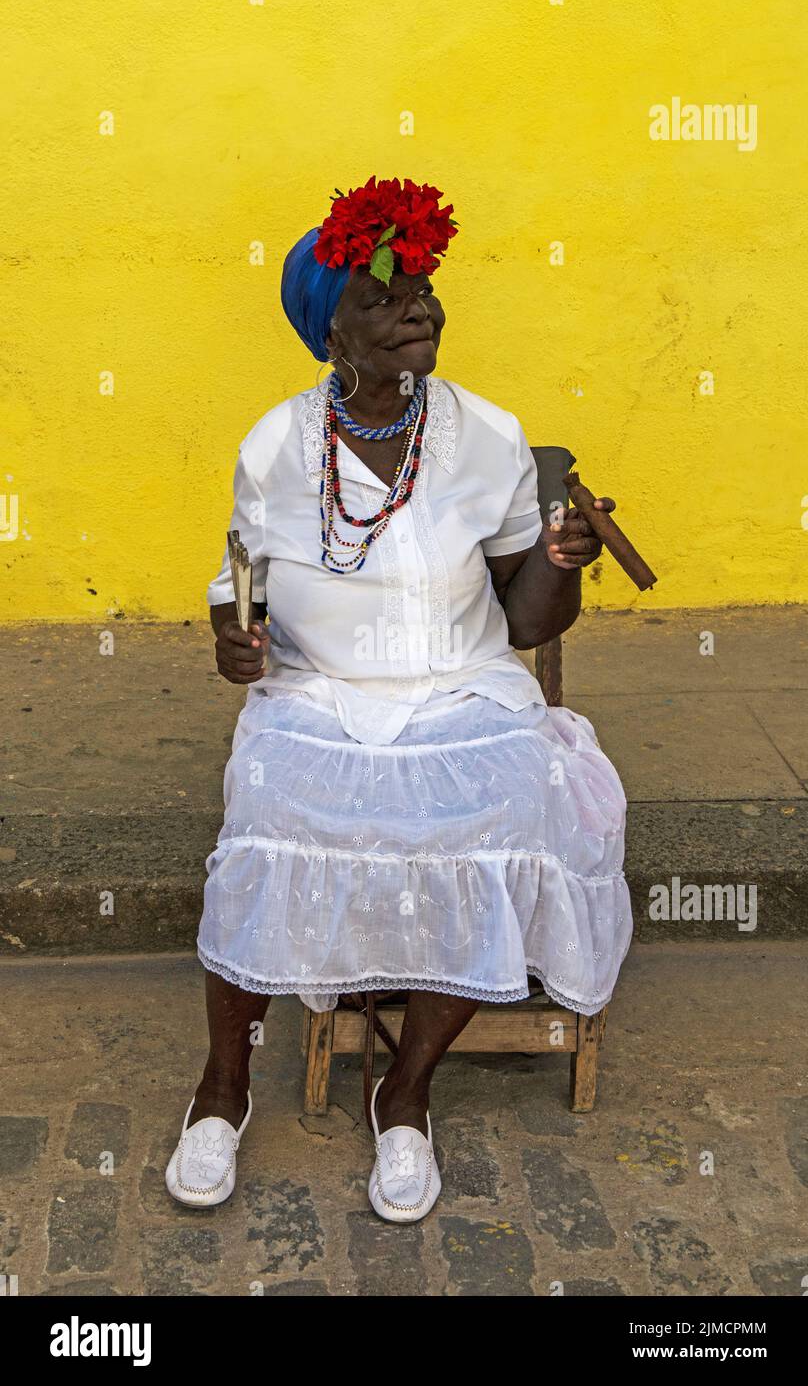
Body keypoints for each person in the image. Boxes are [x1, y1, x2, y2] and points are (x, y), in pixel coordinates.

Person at [165, 175, 633, 1222]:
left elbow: (526, 622)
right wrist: (232, 642)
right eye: (382, 297)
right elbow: (237, 588)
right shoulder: (275, 446)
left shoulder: (487, 435)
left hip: (461, 690)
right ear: (330, 332)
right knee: (265, 812)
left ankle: (405, 1093)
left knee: (510, 808)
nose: (417, 309)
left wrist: (560, 556)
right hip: (317, 693)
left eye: (422, 287)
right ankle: (221, 1089)